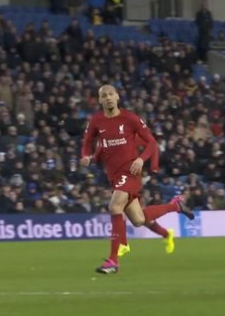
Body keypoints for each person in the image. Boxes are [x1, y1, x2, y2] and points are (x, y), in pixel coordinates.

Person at [81, 85, 193, 274]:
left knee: (114, 206)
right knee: (139, 220)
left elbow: (151, 142)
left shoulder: (130, 118)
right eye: (104, 96)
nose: (108, 98)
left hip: (130, 171)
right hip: (114, 176)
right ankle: (174, 206)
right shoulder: (96, 121)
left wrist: (141, 160)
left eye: (111, 94)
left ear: (117, 97)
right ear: (99, 100)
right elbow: (86, 143)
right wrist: (86, 156)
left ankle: (113, 261)